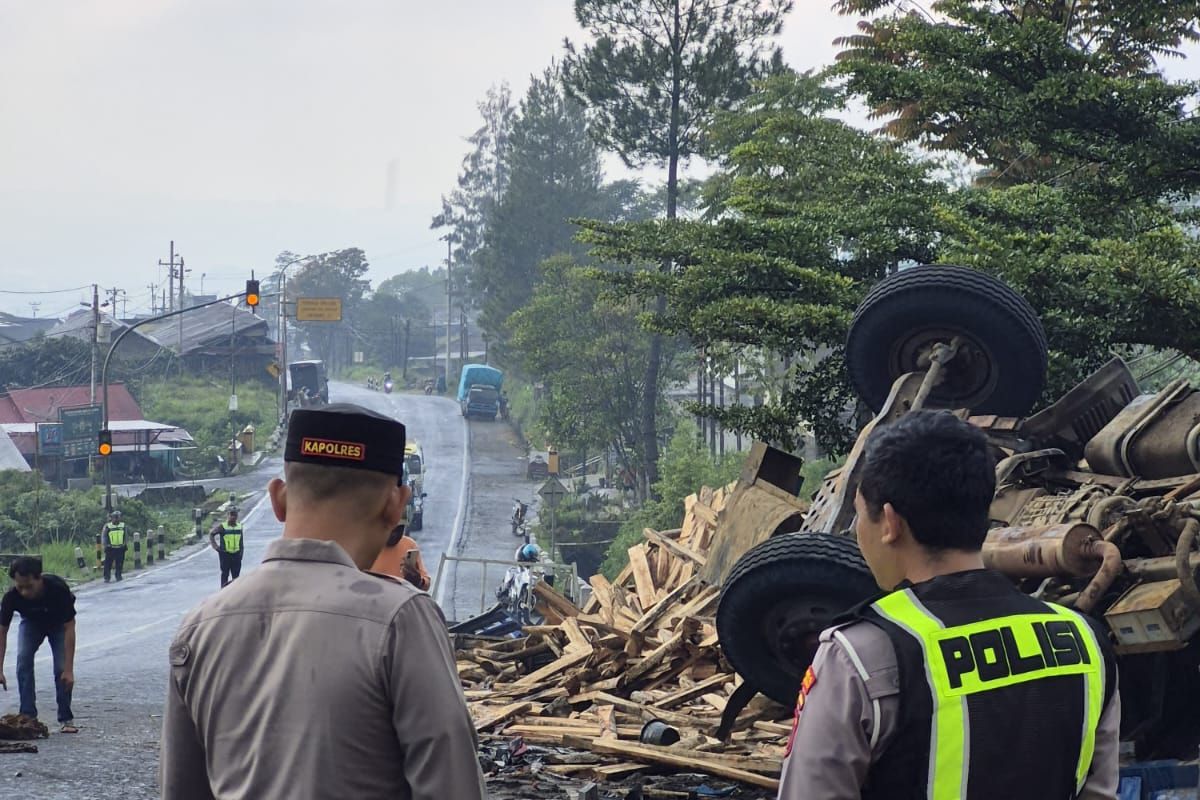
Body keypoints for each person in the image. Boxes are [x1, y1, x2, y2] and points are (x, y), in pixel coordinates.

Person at [777, 411, 1119, 800]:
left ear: (890, 523)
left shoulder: (860, 655)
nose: (858, 532)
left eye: (859, 515)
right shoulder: (1084, 640)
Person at [160, 403, 486, 800]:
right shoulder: (400, 620)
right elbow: (452, 788)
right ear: (395, 505)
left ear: (278, 499)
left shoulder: (199, 628)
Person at [0, 557, 78, 734]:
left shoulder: (57, 589)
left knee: (60, 670)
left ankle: (66, 718)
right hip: (32, 623)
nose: (25, 592)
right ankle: (28, 716)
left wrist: (69, 669)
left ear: (39, 578)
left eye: (29, 586)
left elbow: (69, 627)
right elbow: (2, 631)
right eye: (20, 587)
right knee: (23, 660)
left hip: (59, 625)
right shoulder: (11, 597)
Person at [370, 525, 431, 591]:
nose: (394, 535)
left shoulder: (409, 544)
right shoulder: (367, 546)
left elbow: (426, 583)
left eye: (399, 529)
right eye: (391, 530)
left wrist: (419, 582)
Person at [208, 507, 244, 588]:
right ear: (228, 515)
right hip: (225, 555)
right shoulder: (223, 526)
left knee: (236, 577)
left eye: (235, 515)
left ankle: (235, 594)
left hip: (236, 555)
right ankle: (223, 593)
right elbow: (211, 534)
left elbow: (241, 542)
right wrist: (216, 547)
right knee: (225, 574)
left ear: (237, 516)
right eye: (231, 515)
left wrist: (241, 554)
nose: (233, 517)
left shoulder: (239, 526)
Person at [101, 509, 127, 583]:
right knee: (108, 564)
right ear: (112, 518)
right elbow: (104, 537)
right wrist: (106, 545)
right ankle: (107, 577)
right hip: (111, 548)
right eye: (115, 517)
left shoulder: (123, 525)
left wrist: (125, 544)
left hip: (120, 547)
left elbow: (125, 535)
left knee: (119, 563)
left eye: (118, 517)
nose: (117, 518)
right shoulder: (108, 526)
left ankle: (118, 576)